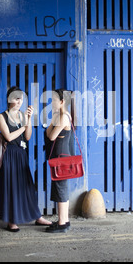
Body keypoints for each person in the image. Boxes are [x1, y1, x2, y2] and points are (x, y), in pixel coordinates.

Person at [0, 86, 52, 232]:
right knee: (10, 188)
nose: (20, 101)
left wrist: (28, 119)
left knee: (27, 187)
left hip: (21, 154)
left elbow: (27, 137)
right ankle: (11, 221)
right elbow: (8, 137)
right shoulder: (1, 116)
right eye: (16, 98)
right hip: (8, 155)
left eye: (21, 98)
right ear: (9, 99)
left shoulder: (22, 116)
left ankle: (37, 216)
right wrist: (24, 126)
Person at [45, 89, 76, 233]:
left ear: (62, 102)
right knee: (61, 188)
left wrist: (53, 122)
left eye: (54, 100)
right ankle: (64, 220)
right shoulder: (62, 115)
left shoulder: (63, 117)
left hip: (61, 159)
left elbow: (51, 136)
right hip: (62, 158)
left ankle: (63, 223)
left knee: (61, 189)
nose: (52, 103)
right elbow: (49, 133)